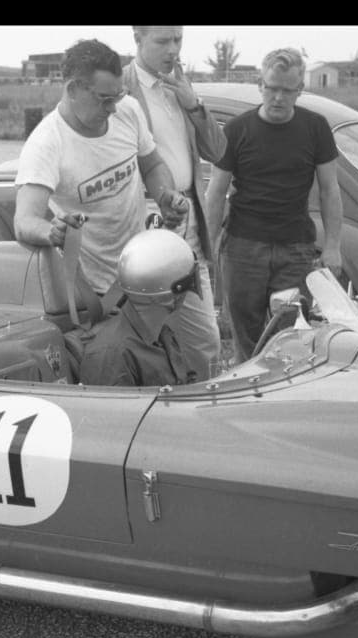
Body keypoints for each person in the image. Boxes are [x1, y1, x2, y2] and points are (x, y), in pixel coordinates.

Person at [13, 39, 191, 301]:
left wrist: (165, 196)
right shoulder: (46, 144)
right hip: (94, 291)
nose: (112, 108)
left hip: (145, 269)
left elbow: (152, 164)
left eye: (117, 96)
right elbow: (24, 221)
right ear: (73, 89)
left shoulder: (127, 110)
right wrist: (53, 232)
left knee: (200, 342)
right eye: (104, 99)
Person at [204, 47, 344, 362]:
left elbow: (330, 190)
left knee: (290, 337)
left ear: (300, 90)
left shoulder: (316, 128)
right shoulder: (237, 130)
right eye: (272, 88)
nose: (278, 97)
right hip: (242, 249)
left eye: (287, 90)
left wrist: (333, 246)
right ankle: (243, 397)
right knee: (247, 339)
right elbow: (216, 192)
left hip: (294, 249)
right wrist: (208, 244)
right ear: (260, 85)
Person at [123, 25, 226, 380]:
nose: (173, 50)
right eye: (162, 41)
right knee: (147, 337)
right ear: (137, 39)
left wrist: (193, 104)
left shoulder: (181, 84)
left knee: (205, 340)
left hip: (189, 224)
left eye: (178, 40)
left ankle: (204, 408)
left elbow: (218, 150)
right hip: (145, 224)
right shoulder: (121, 90)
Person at [66, 228, 200, 387]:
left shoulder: (161, 334)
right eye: (185, 286)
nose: (186, 294)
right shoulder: (112, 356)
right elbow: (111, 411)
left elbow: (186, 386)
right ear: (169, 296)